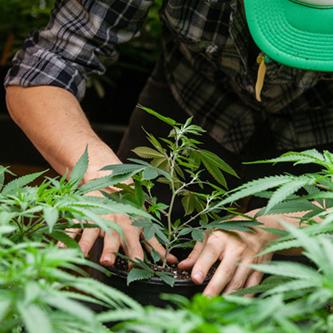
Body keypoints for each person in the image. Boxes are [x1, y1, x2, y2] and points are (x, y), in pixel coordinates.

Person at [4, 0, 333, 296]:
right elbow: (47, 64)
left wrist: (283, 224)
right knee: (119, 260)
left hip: (321, 138)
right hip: (191, 105)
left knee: (297, 298)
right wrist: (98, 174)